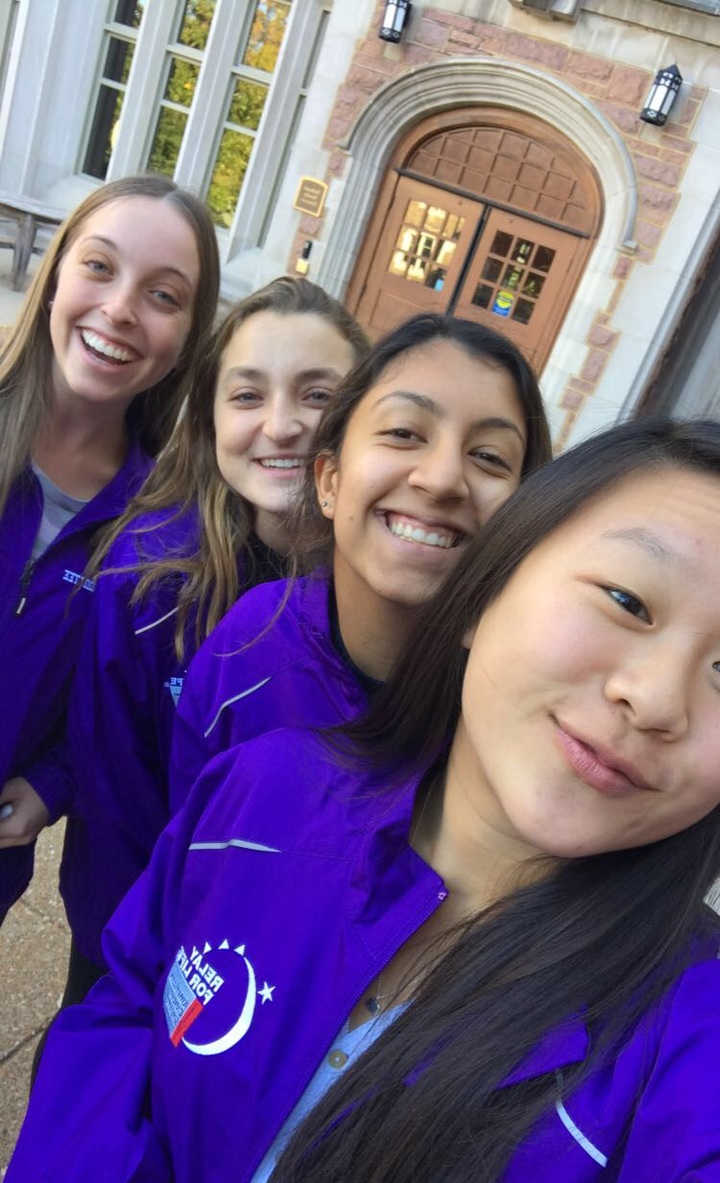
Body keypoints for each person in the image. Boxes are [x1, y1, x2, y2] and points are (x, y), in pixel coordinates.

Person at [3, 414, 718, 1183]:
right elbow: (120, 1013)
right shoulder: (265, 791)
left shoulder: (687, 1054)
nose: (655, 698)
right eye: (629, 600)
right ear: (485, 591)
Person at [58, 277, 368, 1001]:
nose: (284, 425)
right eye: (249, 395)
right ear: (210, 417)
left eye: (318, 396)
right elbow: (115, 792)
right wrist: (133, 960)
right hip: (136, 931)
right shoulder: (145, 579)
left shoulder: (389, 602)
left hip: (301, 962)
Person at [169, 312, 551, 811]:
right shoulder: (250, 639)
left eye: (489, 456)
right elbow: (186, 836)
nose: (441, 479)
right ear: (328, 481)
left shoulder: (521, 713)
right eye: (404, 433)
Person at [0, 174, 219, 922]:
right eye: (99, 266)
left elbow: (121, 693)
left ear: (189, 336)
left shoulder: (164, 529)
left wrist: (53, 783)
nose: (121, 310)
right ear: (56, 272)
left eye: (164, 295)